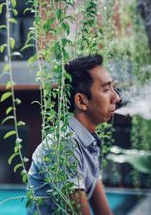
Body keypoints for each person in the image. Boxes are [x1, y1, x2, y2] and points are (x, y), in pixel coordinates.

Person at [27, 54, 120, 214]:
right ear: (81, 101)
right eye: (106, 89)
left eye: (113, 88)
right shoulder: (64, 145)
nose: (116, 97)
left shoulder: (88, 141)